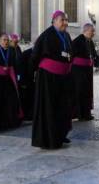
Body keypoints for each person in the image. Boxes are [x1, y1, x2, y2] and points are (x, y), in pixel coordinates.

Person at [30, 10, 74, 149]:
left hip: (63, 77)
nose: (65, 23)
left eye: (66, 20)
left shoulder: (66, 35)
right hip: (48, 78)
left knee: (63, 108)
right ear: (54, 21)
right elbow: (35, 56)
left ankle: (60, 135)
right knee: (49, 109)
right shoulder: (46, 35)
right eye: (62, 20)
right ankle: (49, 138)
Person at [0, 34, 23, 130]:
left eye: (7, 40)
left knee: (10, 100)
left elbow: (15, 65)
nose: (6, 42)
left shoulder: (12, 51)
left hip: (8, 79)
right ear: (0, 40)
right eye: (4, 40)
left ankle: (9, 121)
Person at [71, 23, 97, 121]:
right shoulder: (77, 41)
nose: (94, 33)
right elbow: (72, 54)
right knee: (79, 92)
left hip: (87, 70)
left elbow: (93, 54)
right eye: (92, 31)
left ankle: (87, 113)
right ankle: (79, 114)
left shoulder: (90, 42)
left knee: (88, 91)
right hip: (78, 70)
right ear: (86, 30)